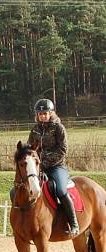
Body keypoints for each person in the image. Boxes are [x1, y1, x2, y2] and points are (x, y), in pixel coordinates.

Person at [27, 98, 79, 236]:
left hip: (57, 166)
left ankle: (74, 224)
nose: (43, 116)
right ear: (37, 115)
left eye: (45, 113)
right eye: (40, 113)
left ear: (51, 113)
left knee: (61, 190)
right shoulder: (35, 130)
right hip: (39, 167)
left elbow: (63, 150)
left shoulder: (59, 128)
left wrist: (45, 163)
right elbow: (30, 148)